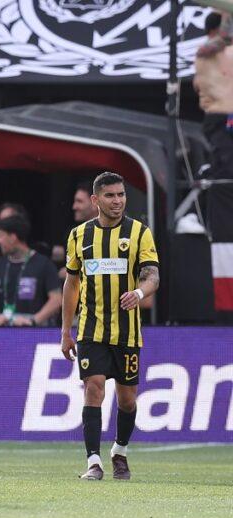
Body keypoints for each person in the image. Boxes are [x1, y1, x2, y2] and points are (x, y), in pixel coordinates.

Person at [61, 172, 160, 481]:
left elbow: (153, 275)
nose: (117, 201)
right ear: (96, 200)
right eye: (110, 195)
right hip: (91, 329)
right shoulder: (79, 236)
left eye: (121, 195)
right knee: (93, 388)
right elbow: (72, 283)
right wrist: (66, 331)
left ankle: (120, 451)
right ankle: (93, 461)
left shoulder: (139, 232)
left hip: (127, 331)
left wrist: (139, 293)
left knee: (127, 400)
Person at [0, 214, 62, 327]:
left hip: (35, 330)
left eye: (0, 236)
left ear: (13, 237)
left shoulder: (44, 264)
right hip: (4, 330)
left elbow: (56, 299)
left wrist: (32, 321)